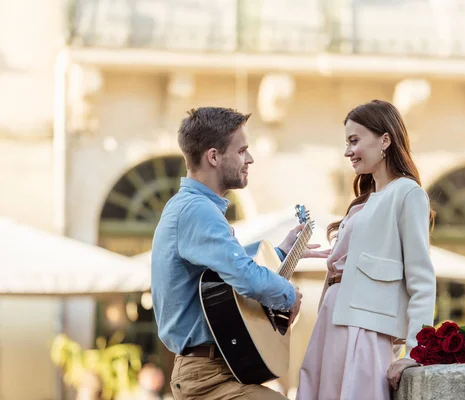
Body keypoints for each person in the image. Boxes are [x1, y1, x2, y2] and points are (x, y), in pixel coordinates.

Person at [151, 107, 329, 400]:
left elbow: (228, 275)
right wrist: (288, 293)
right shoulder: (197, 210)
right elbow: (246, 277)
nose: (250, 159)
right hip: (208, 377)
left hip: (216, 369)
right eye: (242, 150)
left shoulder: (193, 208)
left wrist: (282, 253)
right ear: (213, 157)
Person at [296, 100, 437, 399]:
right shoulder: (364, 201)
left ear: (385, 139)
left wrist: (417, 351)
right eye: (347, 142)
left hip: (366, 329)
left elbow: (421, 280)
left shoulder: (407, 193)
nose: (348, 151)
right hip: (331, 321)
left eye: (354, 141)